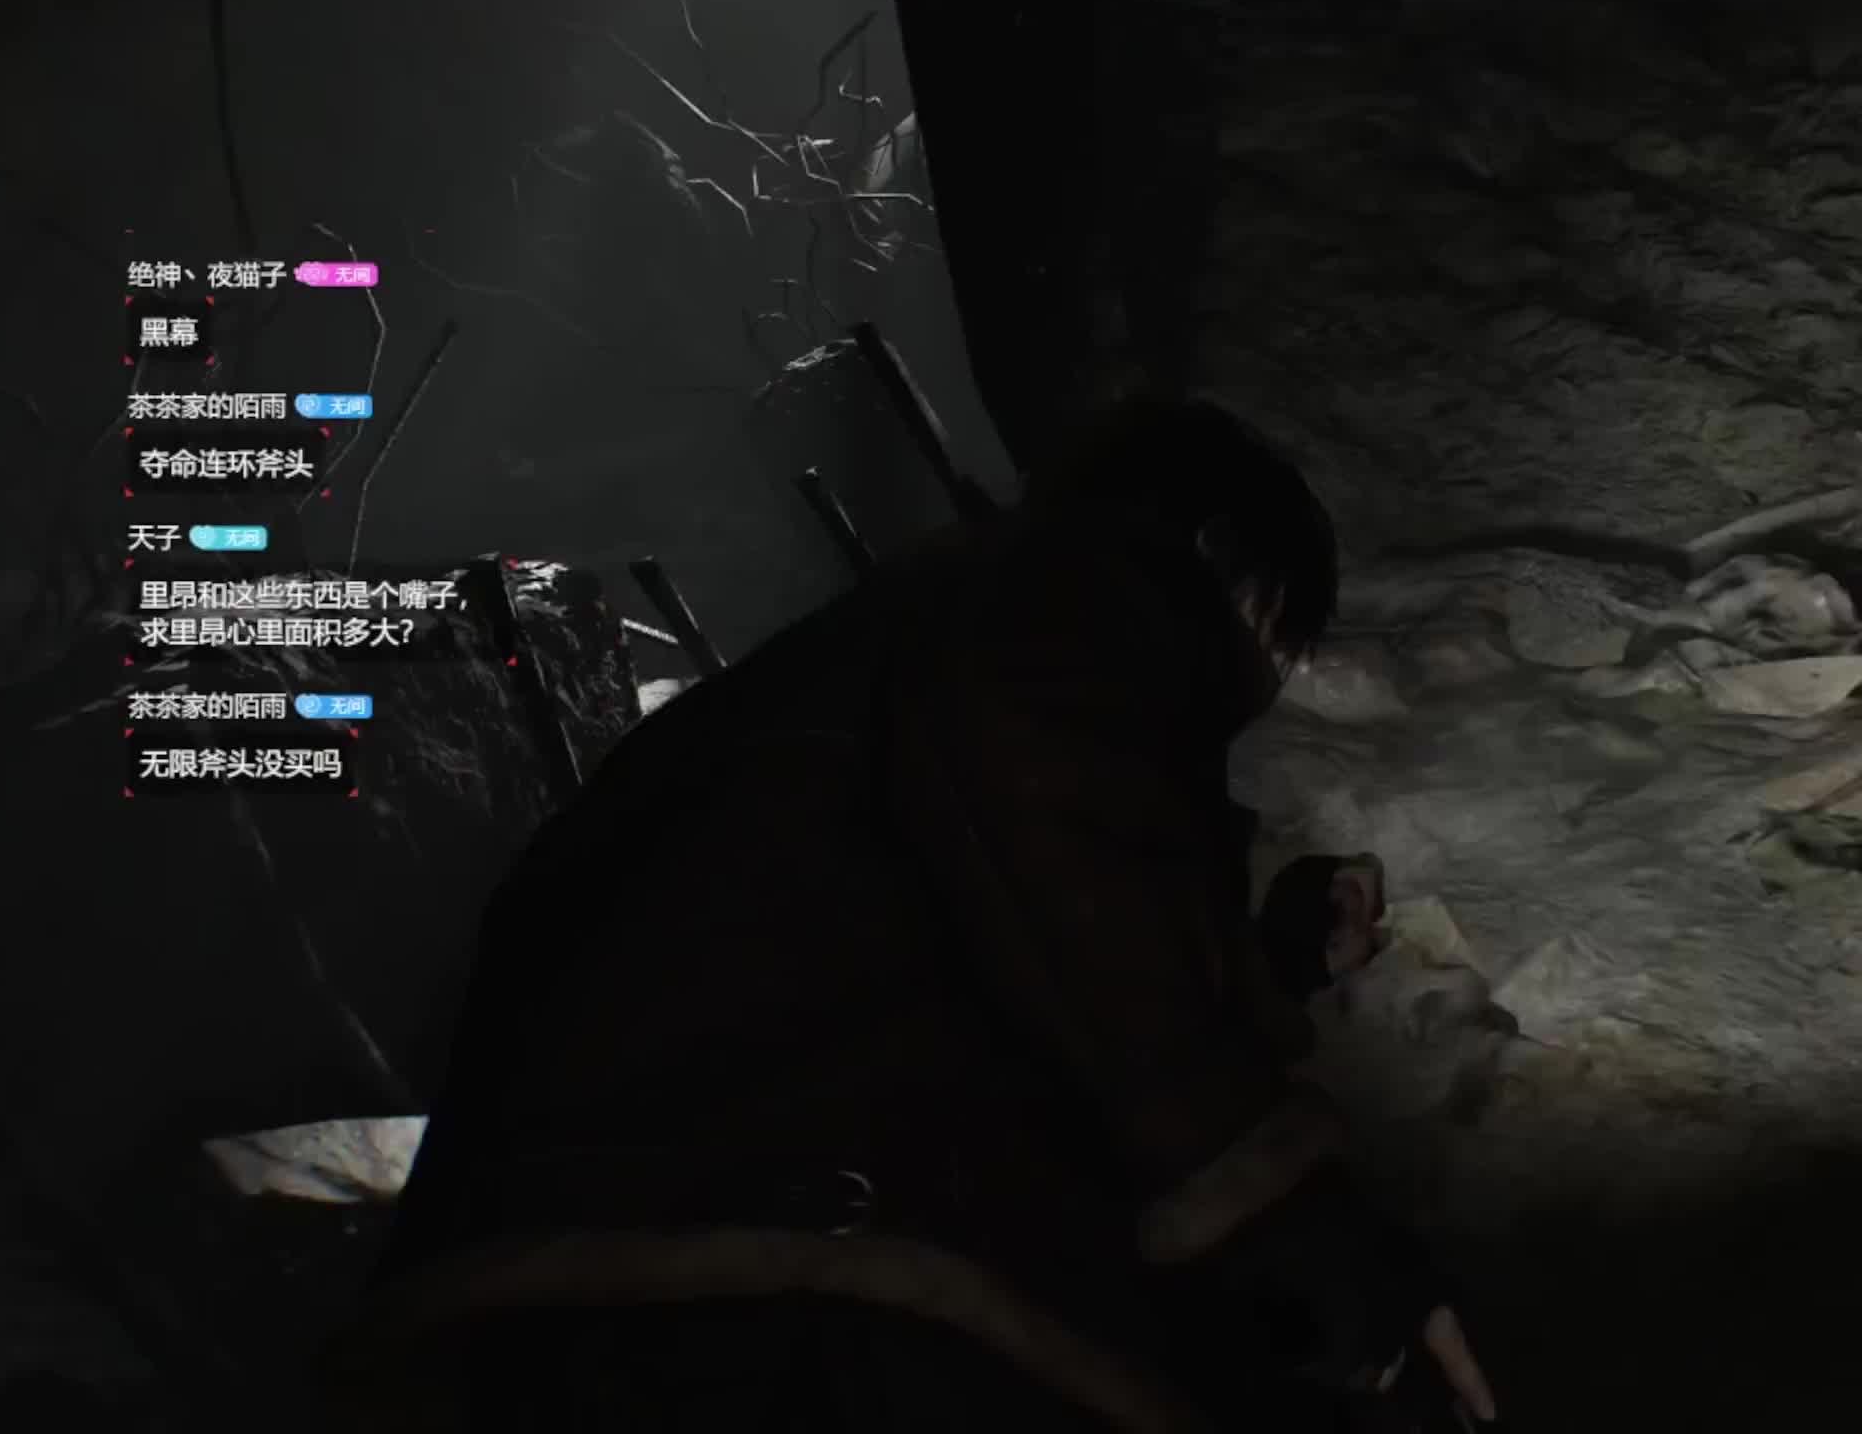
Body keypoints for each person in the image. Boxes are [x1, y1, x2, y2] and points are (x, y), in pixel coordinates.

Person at [318, 395, 1498, 1432]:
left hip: (564, 1291)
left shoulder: (846, 677)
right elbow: (1070, 879)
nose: (1261, 687)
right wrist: (1315, 1241)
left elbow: (977, 940)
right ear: (1211, 555)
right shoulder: (1071, 598)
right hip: (781, 1297)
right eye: (1271, 638)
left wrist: (1267, 957)